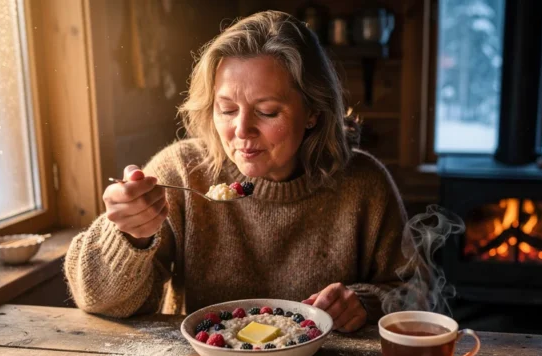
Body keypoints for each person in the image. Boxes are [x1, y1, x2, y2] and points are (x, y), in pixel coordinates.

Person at [64, 10, 410, 333]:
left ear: (313, 113)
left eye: (268, 112)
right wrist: (127, 236)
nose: (242, 130)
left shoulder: (364, 184)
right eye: (227, 109)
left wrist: (365, 302)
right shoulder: (183, 173)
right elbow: (100, 300)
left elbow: (419, 295)